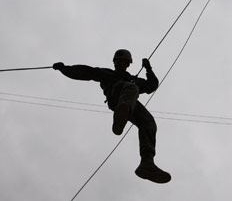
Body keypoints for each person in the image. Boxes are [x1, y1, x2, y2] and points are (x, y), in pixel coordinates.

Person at [53, 49, 171, 184]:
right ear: (114, 62)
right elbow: (86, 72)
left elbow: (151, 85)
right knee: (131, 88)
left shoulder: (133, 80)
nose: (120, 63)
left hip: (129, 101)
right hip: (116, 97)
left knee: (149, 123)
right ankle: (121, 115)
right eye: (118, 61)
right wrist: (64, 69)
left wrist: (148, 68)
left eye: (124, 61)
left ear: (128, 64)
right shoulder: (107, 73)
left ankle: (147, 163)